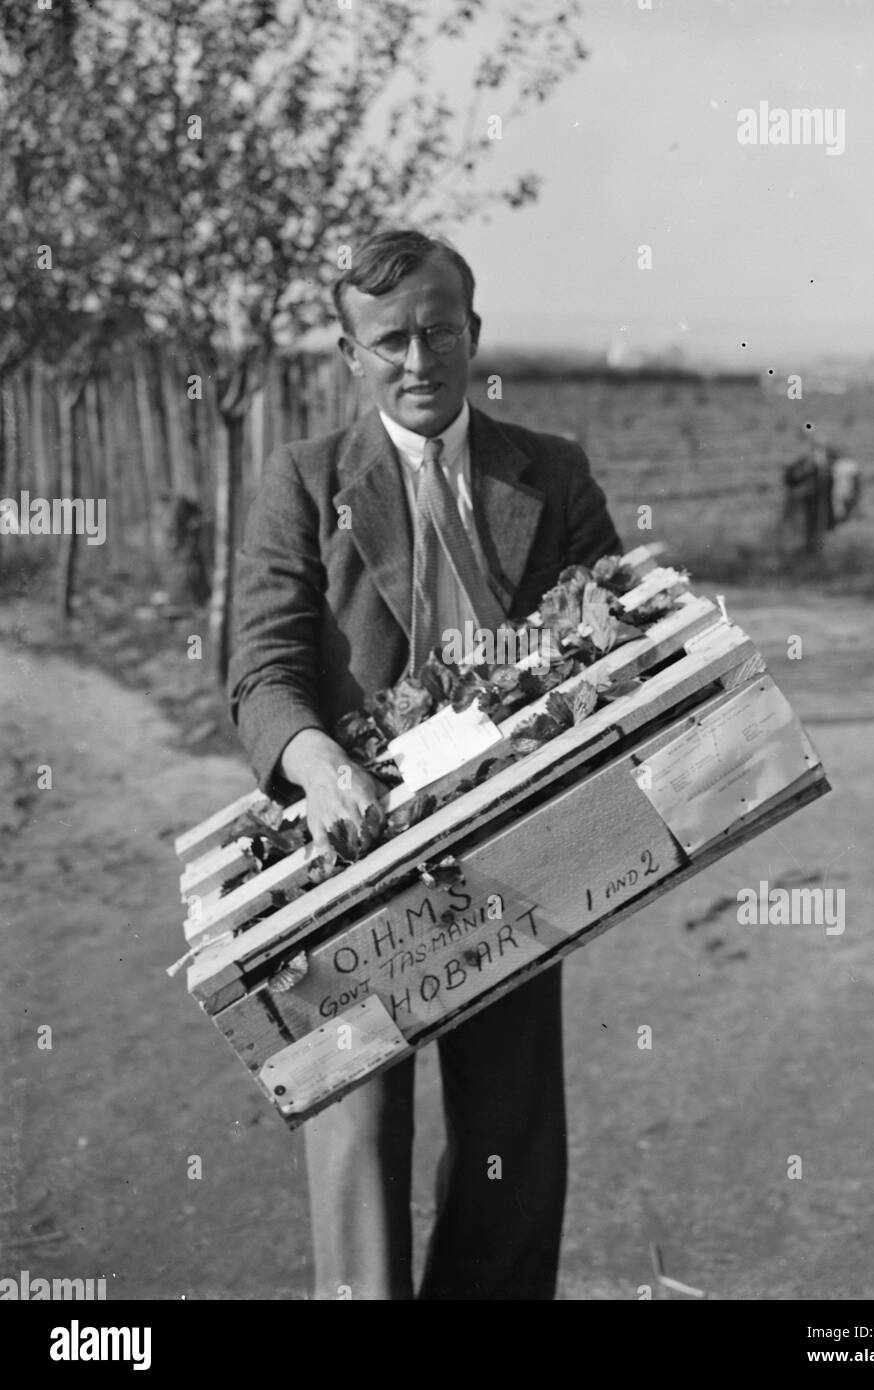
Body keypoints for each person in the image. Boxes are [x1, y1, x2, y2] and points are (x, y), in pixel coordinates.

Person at [227, 228, 621, 1300]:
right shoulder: (305, 485)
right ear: (350, 353)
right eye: (388, 340)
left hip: (516, 851)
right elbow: (260, 675)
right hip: (351, 860)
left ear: (472, 335)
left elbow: (619, 626)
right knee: (355, 1134)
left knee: (512, 1139)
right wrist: (318, 767)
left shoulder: (550, 473)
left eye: (437, 332)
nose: (417, 360)